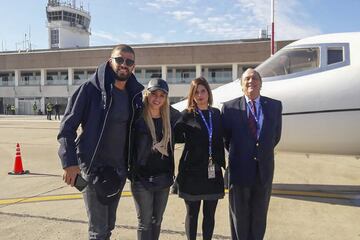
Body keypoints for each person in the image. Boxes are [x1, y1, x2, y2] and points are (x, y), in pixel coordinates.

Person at [57, 44, 144, 240]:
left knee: (108, 227)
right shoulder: (90, 89)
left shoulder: (135, 95)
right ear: (109, 61)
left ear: (133, 67)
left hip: (119, 171)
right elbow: (67, 128)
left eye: (129, 62)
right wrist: (69, 163)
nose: (124, 64)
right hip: (92, 168)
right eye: (119, 59)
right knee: (98, 231)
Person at [221, 68, 282, 240]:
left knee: (259, 217)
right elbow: (227, 140)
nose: (251, 81)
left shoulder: (275, 106)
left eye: (255, 78)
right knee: (239, 217)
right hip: (239, 171)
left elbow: (274, 137)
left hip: (263, 171)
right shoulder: (229, 108)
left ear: (260, 84)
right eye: (247, 78)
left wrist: (259, 151)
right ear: (241, 85)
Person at [174, 77, 225, 240]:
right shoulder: (186, 115)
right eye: (196, 92)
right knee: (192, 215)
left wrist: (223, 165)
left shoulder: (216, 114)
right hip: (192, 173)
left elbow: (221, 140)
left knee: (209, 215)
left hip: (212, 172)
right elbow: (173, 136)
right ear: (192, 95)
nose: (200, 95)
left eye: (203, 91)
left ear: (208, 93)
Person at [129, 78, 180, 240]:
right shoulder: (137, 117)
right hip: (141, 178)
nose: (157, 99)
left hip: (163, 178)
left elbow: (189, 118)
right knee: (144, 222)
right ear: (147, 95)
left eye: (162, 95)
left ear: (166, 98)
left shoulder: (170, 118)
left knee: (157, 220)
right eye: (153, 94)